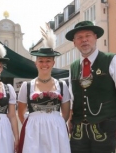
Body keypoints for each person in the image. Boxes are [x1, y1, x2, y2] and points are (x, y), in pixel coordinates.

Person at [66, 21, 116, 153]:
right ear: (74, 42)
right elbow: (73, 96)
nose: (84, 40)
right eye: (79, 37)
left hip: (106, 127)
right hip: (79, 131)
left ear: (96, 37)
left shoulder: (112, 60)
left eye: (88, 35)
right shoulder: (73, 66)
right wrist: (70, 121)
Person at [17, 24, 71, 153]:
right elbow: (21, 113)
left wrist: (54, 122)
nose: (44, 64)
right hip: (33, 131)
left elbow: (66, 113)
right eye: (40, 61)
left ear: (53, 63)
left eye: (48, 61)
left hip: (56, 130)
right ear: (36, 63)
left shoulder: (62, 86)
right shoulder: (27, 86)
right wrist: (35, 123)